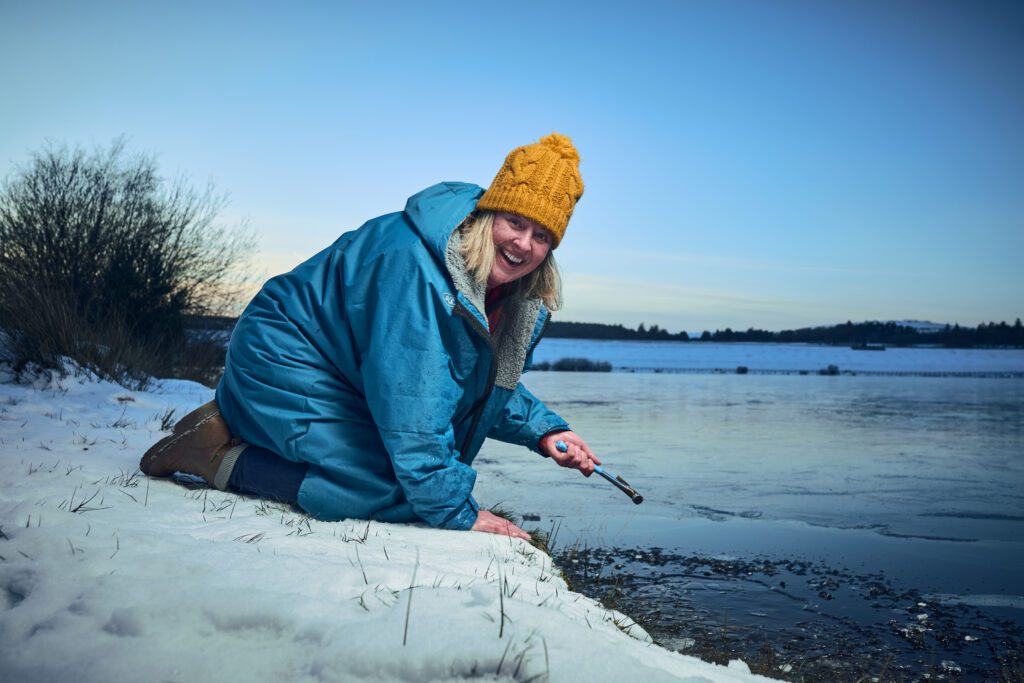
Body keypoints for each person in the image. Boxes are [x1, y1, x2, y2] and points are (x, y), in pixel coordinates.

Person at [140, 133, 599, 540]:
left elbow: (467, 382)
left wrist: (546, 430)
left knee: (412, 479)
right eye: (515, 223)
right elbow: (414, 401)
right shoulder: (420, 270)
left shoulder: (497, 291)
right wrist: (458, 514)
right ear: (489, 214)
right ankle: (214, 452)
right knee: (387, 488)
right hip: (282, 357)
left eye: (542, 236)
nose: (523, 244)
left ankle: (243, 434)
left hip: (345, 370)